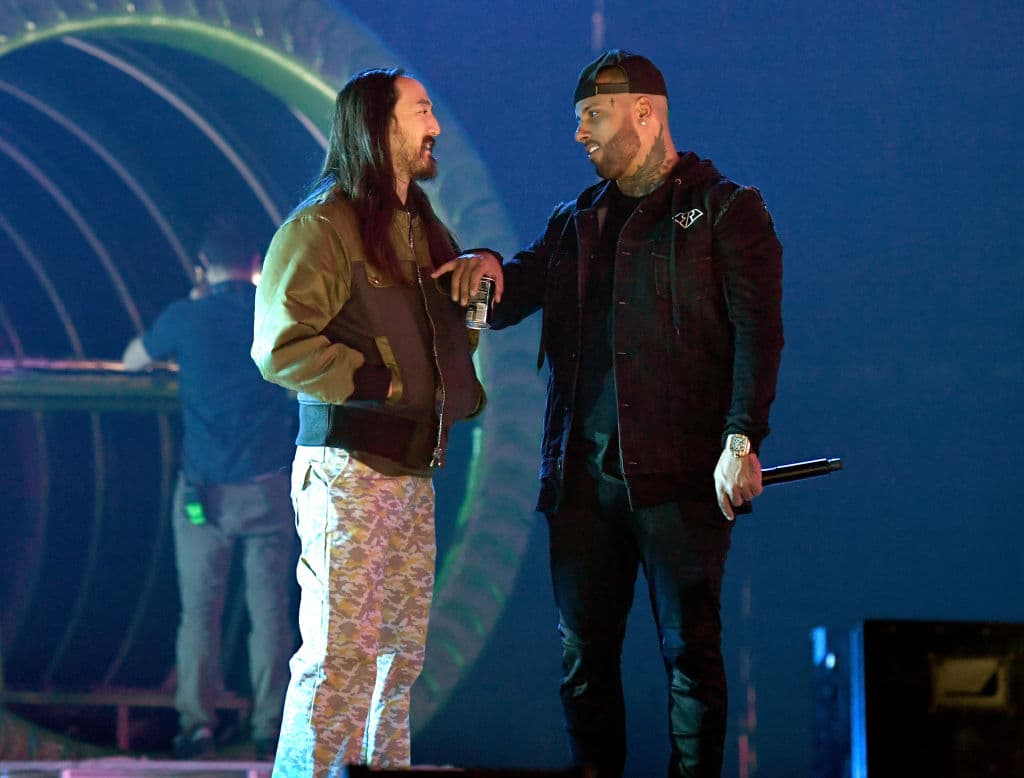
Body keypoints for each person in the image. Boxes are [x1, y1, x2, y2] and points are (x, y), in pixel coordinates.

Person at [435, 50, 784, 777]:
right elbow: (513, 291)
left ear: (645, 112)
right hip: (583, 481)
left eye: (593, 116)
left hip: (682, 476)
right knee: (582, 657)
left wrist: (741, 437)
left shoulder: (726, 211)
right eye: (577, 120)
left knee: (690, 652)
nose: (579, 134)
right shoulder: (577, 223)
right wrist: (482, 269)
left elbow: (759, 333)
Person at [250, 68, 486, 776]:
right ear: (381, 128)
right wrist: (376, 381)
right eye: (422, 110)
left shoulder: (423, 230)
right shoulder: (323, 227)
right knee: (338, 659)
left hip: (411, 472)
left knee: (397, 660)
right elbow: (278, 346)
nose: (434, 126)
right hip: (347, 470)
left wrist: (471, 303)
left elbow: (443, 350)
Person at [121, 215, 296, 761]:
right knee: (271, 612)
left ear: (203, 267)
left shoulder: (186, 318)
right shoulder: (277, 314)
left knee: (199, 611)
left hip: (204, 499)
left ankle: (196, 727)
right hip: (269, 490)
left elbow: (131, 361)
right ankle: (271, 727)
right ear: (257, 267)